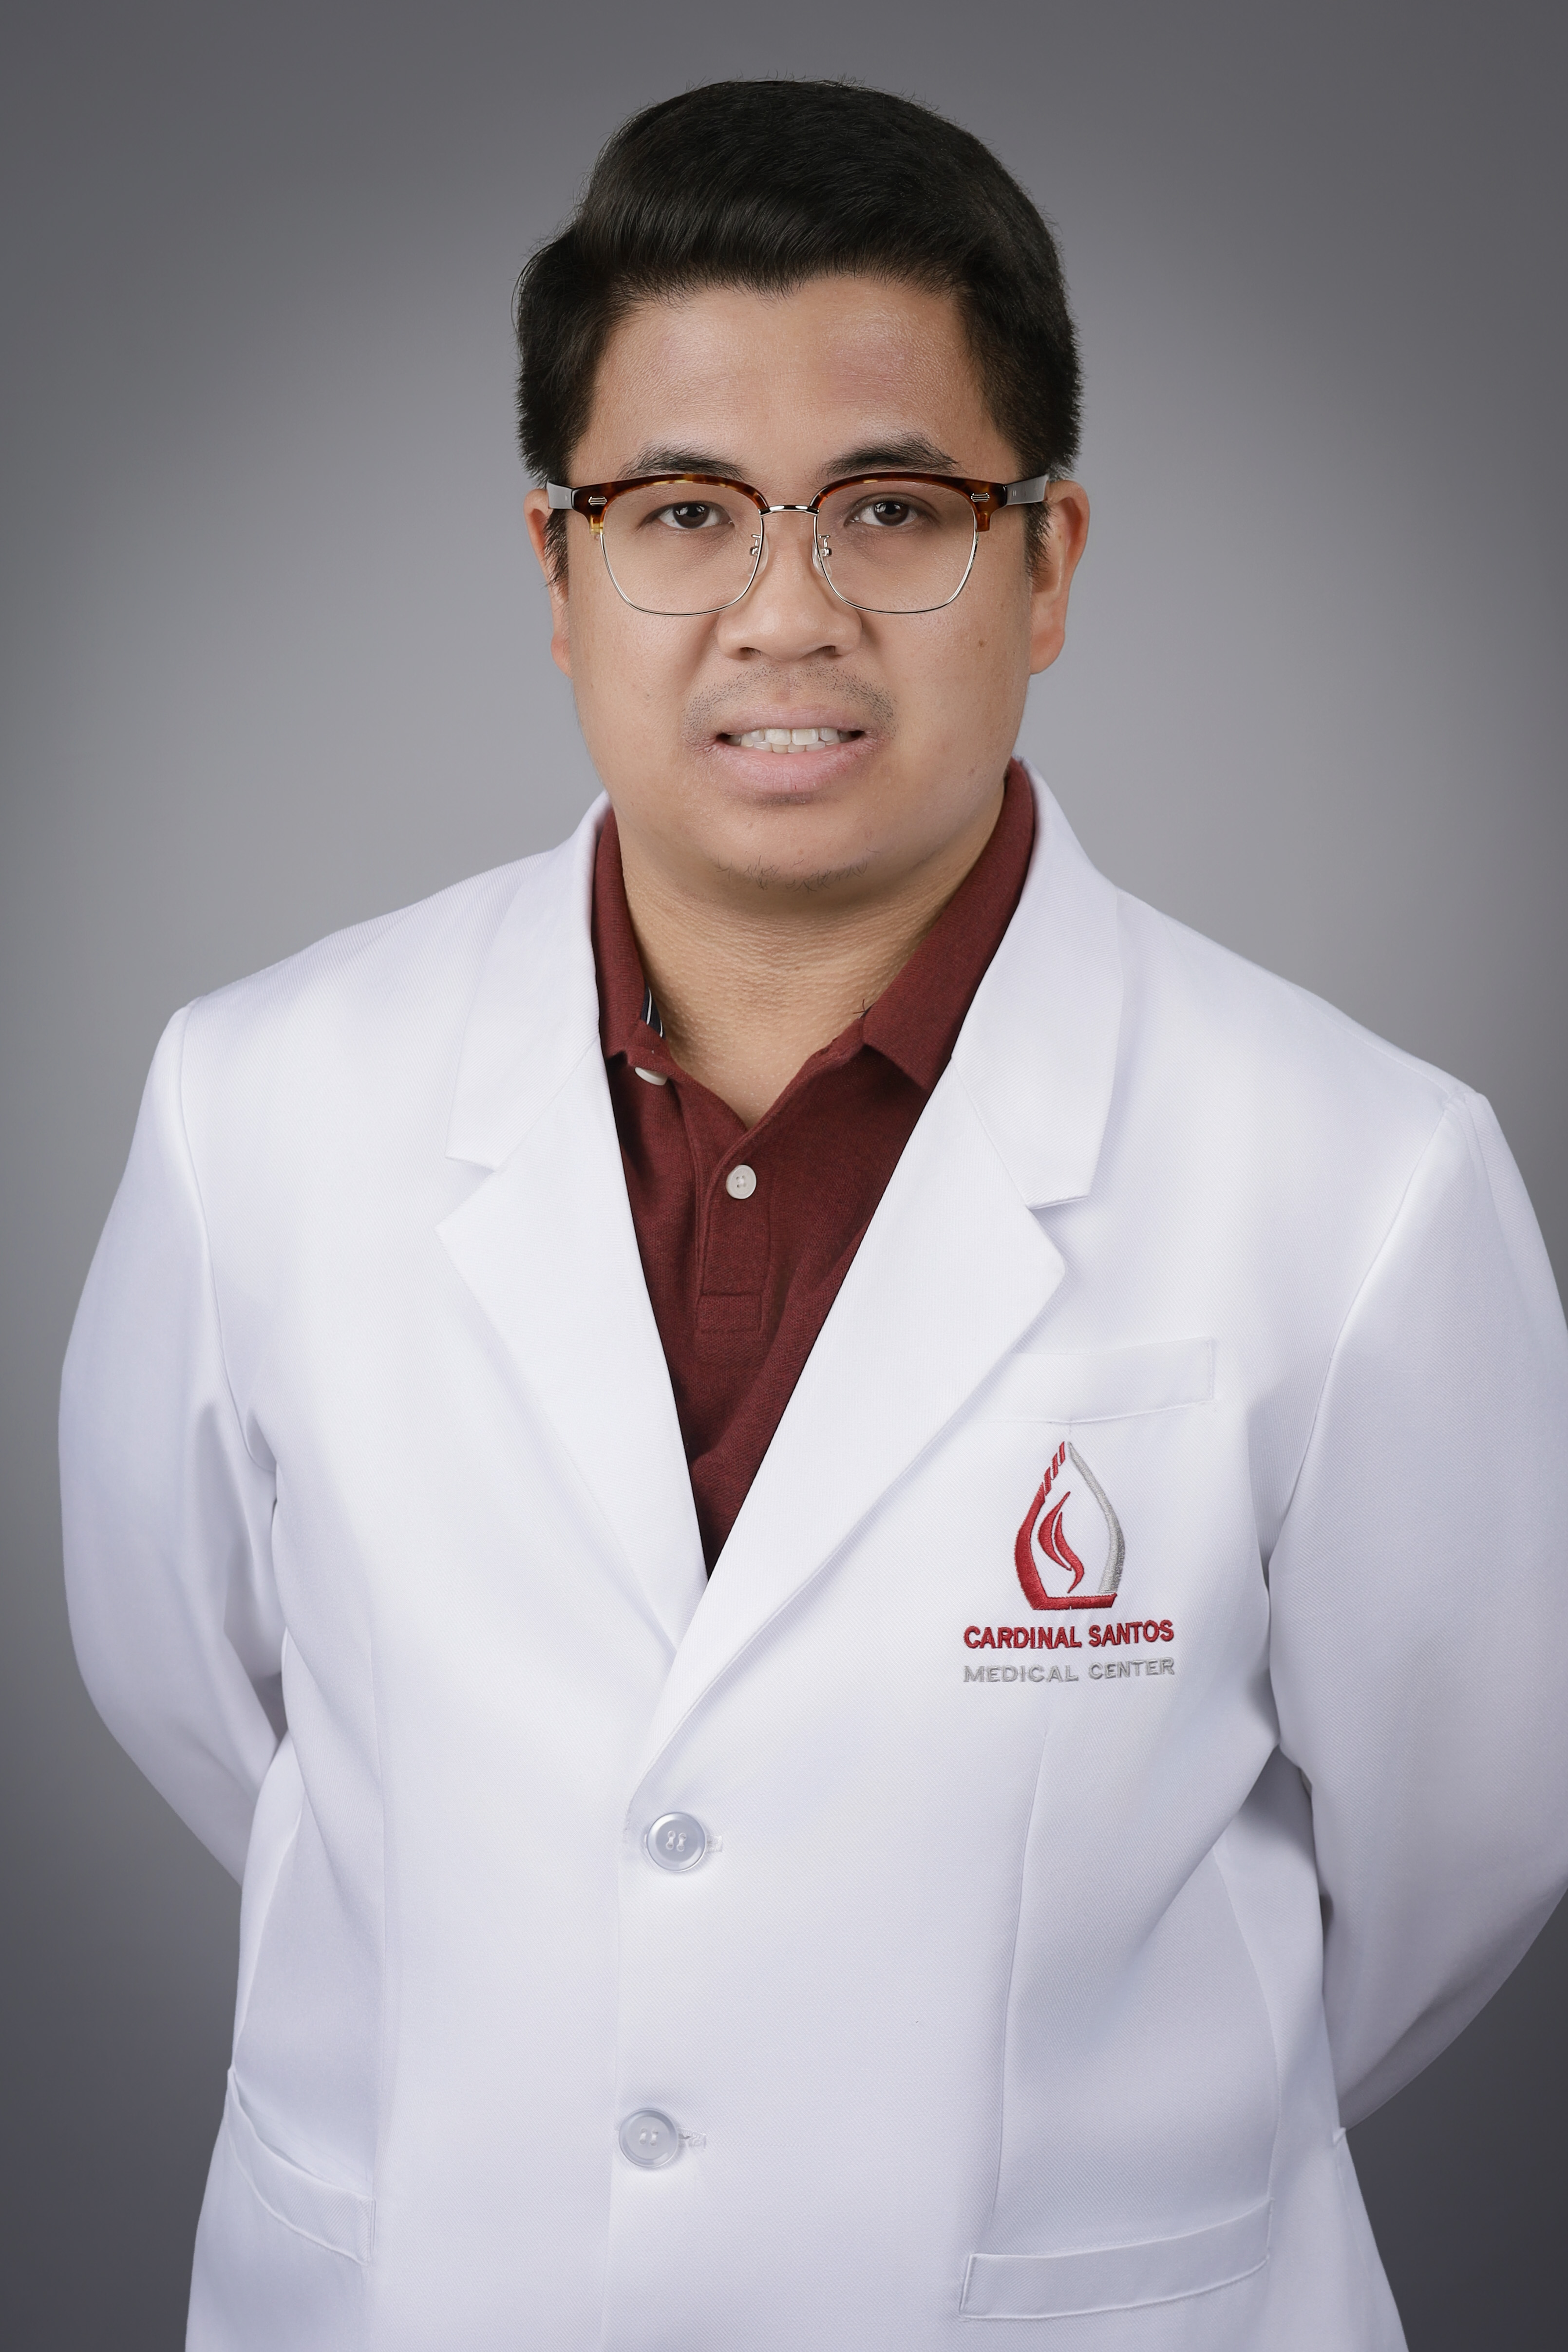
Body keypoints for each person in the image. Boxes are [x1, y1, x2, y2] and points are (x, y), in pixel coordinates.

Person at [59, 78, 1568, 2352]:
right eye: (681, 510)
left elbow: (1467, 1851)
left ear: (1047, 564)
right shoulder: (256, 1101)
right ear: (555, 571)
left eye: (890, 507)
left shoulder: (1358, 1176)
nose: (784, 611)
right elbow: (205, 1700)